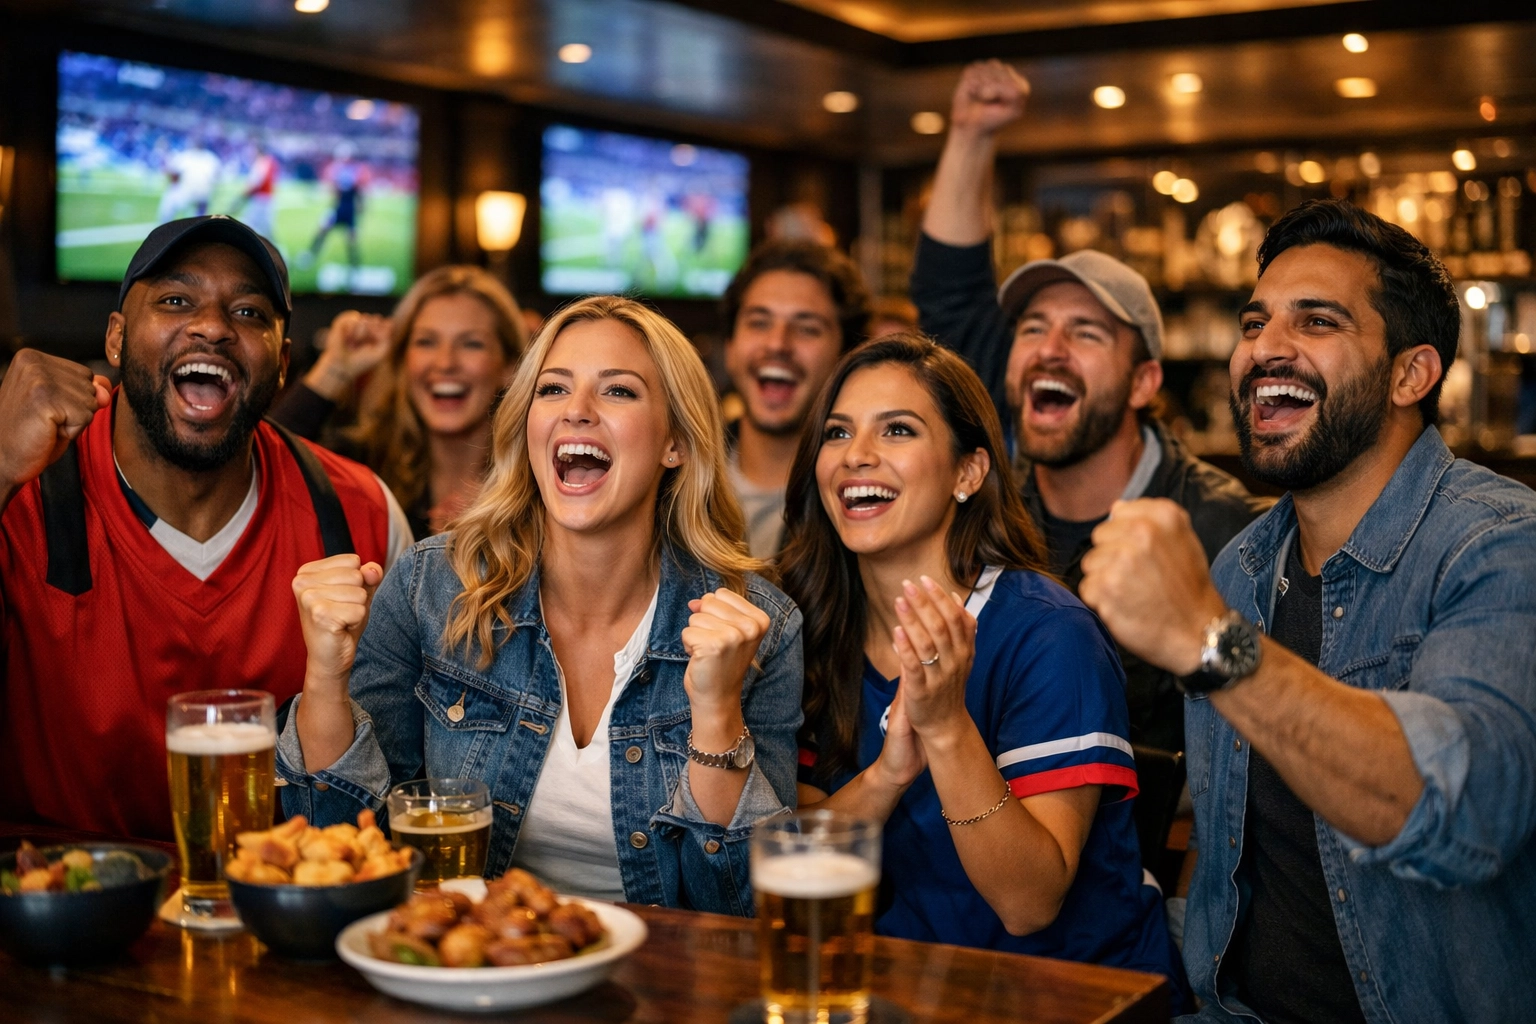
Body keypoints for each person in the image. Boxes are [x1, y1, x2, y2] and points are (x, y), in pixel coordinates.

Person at [1079, 200, 1536, 1022]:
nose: (1264, 349)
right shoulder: (1244, 564)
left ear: (1411, 374)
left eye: (1316, 321)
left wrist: (1210, 642)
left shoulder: (1500, 548)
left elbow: (1464, 812)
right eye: (1254, 323)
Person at [279, 295, 803, 913]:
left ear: (677, 443)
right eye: (552, 389)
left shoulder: (760, 627)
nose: (576, 412)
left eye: (619, 392)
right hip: (470, 964)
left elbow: (742, 911)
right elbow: (336, 845)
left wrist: (715, 714)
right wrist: (324, 678)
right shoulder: (429, 588)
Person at [780, 334, 1186, 1001]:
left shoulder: (1048, 634)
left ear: (967, 473)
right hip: (898, 993)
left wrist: (944, 729)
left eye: (898, 430)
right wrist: (889, 774)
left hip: (1068, 999)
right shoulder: (811, 625)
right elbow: (788, 857)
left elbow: (1030, 902)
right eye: (838, 432)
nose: (856, 456)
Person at [0, 215, 408, 841]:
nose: (213, 327)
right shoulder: (23, 487)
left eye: (248, 313)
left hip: (277, 919)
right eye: (175, 300)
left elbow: (393, 790)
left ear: (282, 364)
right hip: (57, 917)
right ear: (116, 338)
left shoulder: (362, 514)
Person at [910, 59, 1266, 753]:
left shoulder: (1222, 526)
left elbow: (1269, 685)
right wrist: (970, 134)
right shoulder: (985, 507)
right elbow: (949, 295)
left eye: (1087, 332)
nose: (1049, 348)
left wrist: (1203, 639)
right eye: (1034, 327)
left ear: (1142, 383)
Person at [269, 265, 527, 538]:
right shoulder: (364, 464)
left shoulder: (536, 482)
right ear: (403, 360)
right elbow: (261, 466)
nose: (445, 362)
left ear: (510, 366)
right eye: (426, 342)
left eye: (471, 344)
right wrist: (335, 369)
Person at [720, 239, 871, 557]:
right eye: (759, 323)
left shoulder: (865, 498)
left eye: (807, 328)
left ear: (846, 356)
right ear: (730, 348)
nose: (777, 344)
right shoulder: (672, 481)